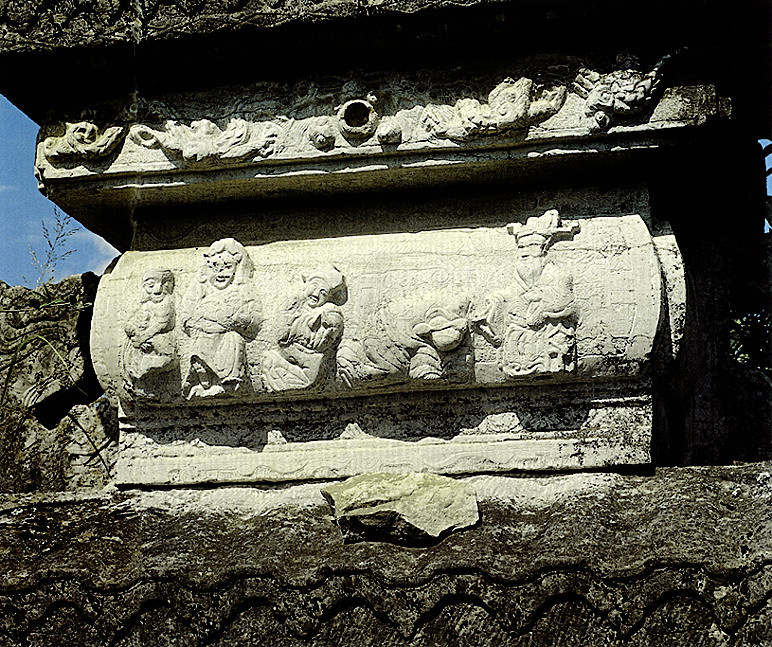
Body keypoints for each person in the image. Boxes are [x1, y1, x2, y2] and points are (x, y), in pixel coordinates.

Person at [475, 210, 578, 377]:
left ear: (543, 248)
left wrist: (539, 297)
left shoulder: (558, 274)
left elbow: (565, 299)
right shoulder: (521, 273)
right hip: (519, 332)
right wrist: (497, 300)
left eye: (531, 246)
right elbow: (513, 292)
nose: (525, 252)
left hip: (548, 331)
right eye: (521, 247)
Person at [180, 238, 262, 398]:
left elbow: (253, 318)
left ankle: (228, 381)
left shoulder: (243, 290)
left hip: (226, 336)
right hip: (203, 334)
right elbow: (187, 316)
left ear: (237, 268)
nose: (221, 273)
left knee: (233, 341)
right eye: (214, 267)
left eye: (228, 267)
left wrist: (229, 319)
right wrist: (204, 321)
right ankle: (203, 380)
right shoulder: (199, 289)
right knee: (200, 347)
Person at [262, 266, 347, 392]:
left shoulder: (329, 311)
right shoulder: (294, 304)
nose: (316, 294)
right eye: (314, 286)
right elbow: (280, 334)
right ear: (306, 286)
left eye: (323, 293)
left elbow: (323, 340)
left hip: (311, 361)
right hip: (291, 353)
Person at [122, 269, 177, 399]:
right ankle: (141, 382)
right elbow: (134, 320)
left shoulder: (167, 303)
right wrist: (131, 328)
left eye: (164, 284)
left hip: (160, 340)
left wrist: (142, 338)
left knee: (165, 357)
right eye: (151, 285)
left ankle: (151, 378)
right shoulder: (147, 305)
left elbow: (162, 324)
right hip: (143, 341)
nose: (158, 290)